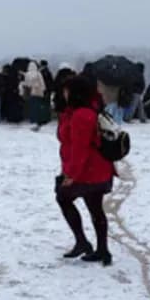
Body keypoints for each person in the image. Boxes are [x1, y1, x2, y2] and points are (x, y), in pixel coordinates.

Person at [55, 75, 114, 266]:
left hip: (87, 171)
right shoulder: (92, 110)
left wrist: (71, 175)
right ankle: (102, 249)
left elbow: (80, 149)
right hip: (100, 168)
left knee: (63, 198)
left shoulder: (80, 115)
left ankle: (82, 241)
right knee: (95, 208)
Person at [22, 61, 48, 129]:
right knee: (39, 107)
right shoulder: (38, 73)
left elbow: (26, 84)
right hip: (39, 92)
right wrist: (43, 89)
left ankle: (33, 119)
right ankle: (39, 119)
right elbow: (42, 83)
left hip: (31, 92)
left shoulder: (27, 74)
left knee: (32, 107)